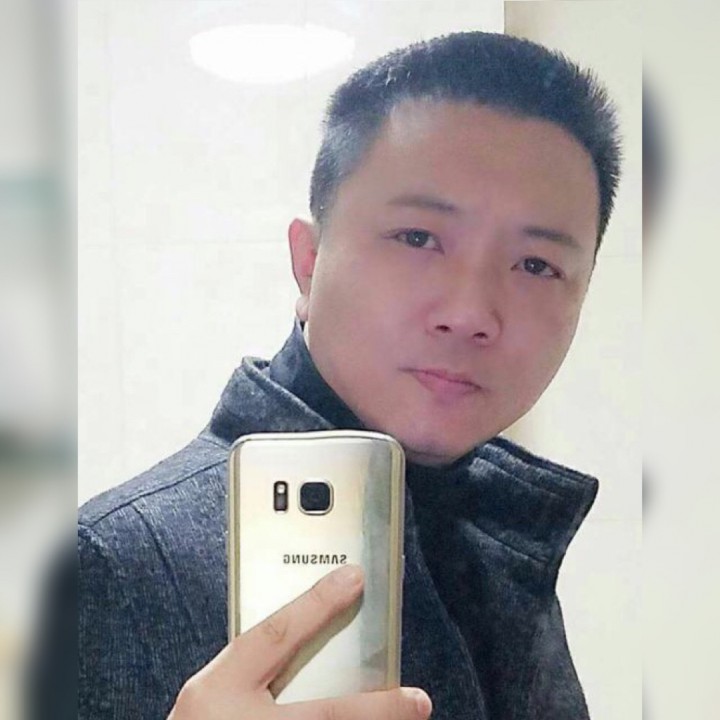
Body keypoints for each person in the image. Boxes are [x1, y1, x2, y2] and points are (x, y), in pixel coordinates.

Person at [78, 31, 621, 720]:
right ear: (308, 263)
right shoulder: (112, 564)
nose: (470, 313)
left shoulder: (501, 539)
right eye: (418, 238)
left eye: (536, 265)